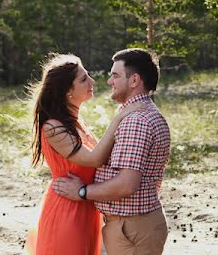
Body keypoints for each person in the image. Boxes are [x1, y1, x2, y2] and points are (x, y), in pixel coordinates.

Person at [53, 48, 171, 255]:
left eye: (115, 75)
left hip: (132, 229)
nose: (109, 81)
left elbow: (126, 185)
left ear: (134, 81)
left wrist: (82, 192)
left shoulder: (136, 121)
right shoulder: (133, 114)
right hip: (131, 227)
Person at [26, 53, 146, 255]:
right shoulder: (53, 127)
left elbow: (106, 158)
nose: (91, 81)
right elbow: (94, 159)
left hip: (86, 207)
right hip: (67, 210)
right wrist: (119, 117)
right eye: (83, 79)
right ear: (66, 92)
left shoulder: (77, 123)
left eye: (88, 75)